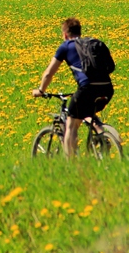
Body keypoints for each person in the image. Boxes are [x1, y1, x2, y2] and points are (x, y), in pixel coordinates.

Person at [31, 17, 114, 157]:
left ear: (64, 35)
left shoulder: (66, 46)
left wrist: (40, 90)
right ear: (79, 32)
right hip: (107, 88)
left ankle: (71, 163)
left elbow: (48, 74)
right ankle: (101, 134)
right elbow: (111, 67)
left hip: (87, 89)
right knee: (86, 113)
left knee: (71, 124)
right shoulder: (93, 44)